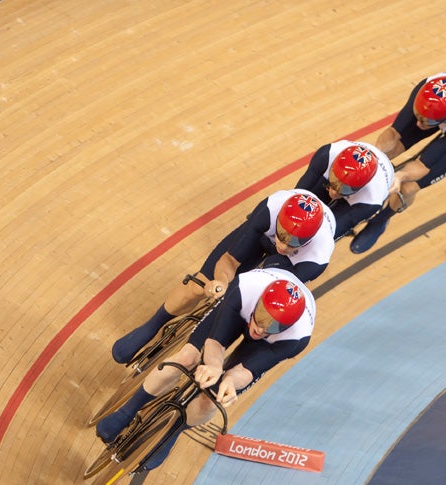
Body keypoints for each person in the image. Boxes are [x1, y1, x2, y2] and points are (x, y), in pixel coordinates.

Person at [95, 268, 316, 456]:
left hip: (267, 345)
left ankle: (173, 431)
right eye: (261, 317)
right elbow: (215, 342)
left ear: (287, 328)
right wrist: (214, 366)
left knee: (215, 396)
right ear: (258, 302)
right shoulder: (245, 288)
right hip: (239, 311)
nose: (260, 329)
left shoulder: (296, 339)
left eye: (273, 326)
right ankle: (127, 411)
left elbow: (248, 370)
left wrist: (230, 382)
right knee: (188, 357)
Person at [110, 189, 333, 364]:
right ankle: (153, 325)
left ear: (309, 241)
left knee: (254, 315)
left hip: (287, 266)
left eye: (293, 241)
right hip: (261, 238)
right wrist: (221, 284)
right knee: (200, 284)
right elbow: (229, 261)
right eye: (282, 235)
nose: (283, 245)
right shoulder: (269, 210)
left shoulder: (316, 258)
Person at [349, 71, 446, 254]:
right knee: (389, 149)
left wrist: (399, 176)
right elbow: (393, 133)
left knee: (409, 187)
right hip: (438, 108)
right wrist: (371, 159)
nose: (419, 124)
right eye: (418, 116)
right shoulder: (425, 88)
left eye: (427, 121)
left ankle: (381, 220)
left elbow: (423, 165)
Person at [295, 140, 394, 240]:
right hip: (334, 167)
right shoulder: (326, 155)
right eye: (334, 178)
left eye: (345, 189)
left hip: (360, 199)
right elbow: (297, 196)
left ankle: (384, 216)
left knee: (325, 233)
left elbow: (328, 236)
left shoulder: (371, 200)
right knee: (298, 209)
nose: (334, 192)